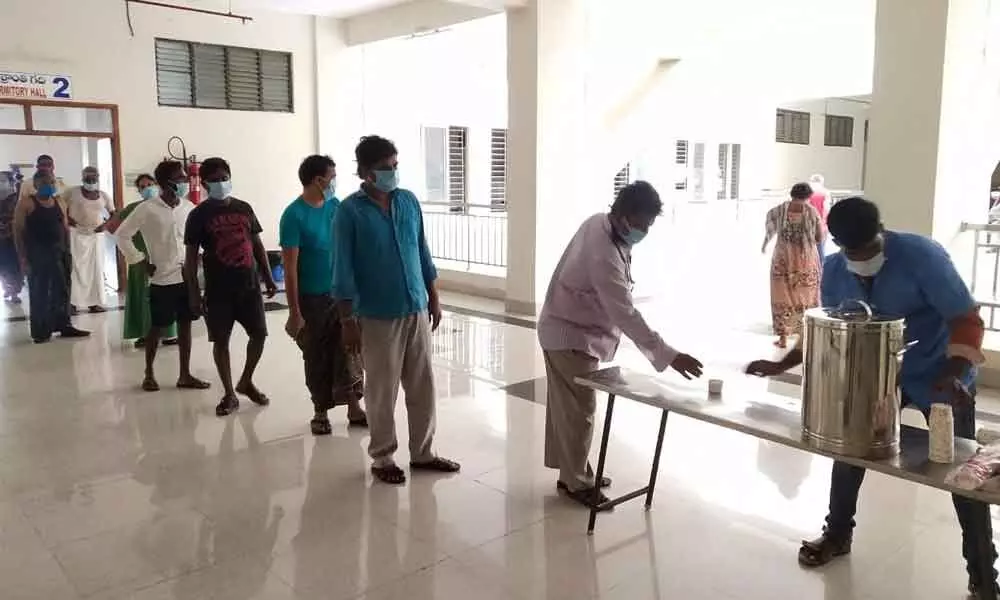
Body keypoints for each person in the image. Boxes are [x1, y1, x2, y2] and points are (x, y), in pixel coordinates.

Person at [746, 196, 998, 599]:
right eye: (852, 251)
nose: (861, 259)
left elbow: (965, 319)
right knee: (850, 451)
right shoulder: (834, 267)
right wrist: (782, 365)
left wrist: (954, 375)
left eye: (868, 249)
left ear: (881, 233)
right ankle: (838, 534)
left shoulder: (922, 257)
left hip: (941, 375)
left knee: (961, 474)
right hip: (882, 376)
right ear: (840, 245)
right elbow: (822, 326)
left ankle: (983, 575)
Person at [538, 181, 704, 508]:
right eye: (643, 224)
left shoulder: (600, 222)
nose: (645, 231)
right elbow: (624, 313)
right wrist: (669, 356)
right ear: (626, 217)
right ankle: (577, 483)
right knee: (579, 411)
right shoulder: (603, 253)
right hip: (571, 335)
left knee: (568, 408)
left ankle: (572, 473)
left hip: (568, 327)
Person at [333, 135, 459, 485]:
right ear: (365, 172)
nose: (392, 173)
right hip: (375, 314)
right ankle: (383, 456)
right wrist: (347, 320)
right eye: (385, 168)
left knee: (422, 385)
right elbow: (342, 268)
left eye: (395, 166)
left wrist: (433, 296)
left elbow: (421, 250)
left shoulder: (407, 201)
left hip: (415, 306)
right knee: (382, 390)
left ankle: (423, 452)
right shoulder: (349, 212)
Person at [280, 154, 366, 436]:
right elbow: (290, 269)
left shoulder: (335, 207)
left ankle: (354, 406)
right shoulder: (294, 215)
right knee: (317, 355)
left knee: (349, 351)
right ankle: (320, 410)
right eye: (332, 177)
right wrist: (295, 312)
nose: (334, 182)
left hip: (341, 294)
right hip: (312, 299)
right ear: (318, 180)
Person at [184, 157, 277, 417]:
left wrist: (268, 276)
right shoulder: (198, 215)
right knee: (221, 340)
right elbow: (191, 257)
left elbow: (257, 244)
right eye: (214, 180)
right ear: (203, 184)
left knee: (259, 335)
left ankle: (246, 380)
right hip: (218, 289)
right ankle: (229, 392)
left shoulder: (244, 208)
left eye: (224, 177)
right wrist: (193, 292)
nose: (221, 183)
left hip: (249, 285)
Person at [115, 161, 210, 394]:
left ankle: (185, 374)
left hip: (186, 277)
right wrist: (139, 260)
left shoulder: (188, 207)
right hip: (162, 278)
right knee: (156, 327)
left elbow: (194, 239)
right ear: (167, 183)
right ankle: (149, 373)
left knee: (185, 325)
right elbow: (122, 235)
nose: (184, 182)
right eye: (180, 179)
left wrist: (198, 257)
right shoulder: (147, 208)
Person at [13, 171, 89, 343]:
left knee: (62, 290)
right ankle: (41, 331)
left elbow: (65, 227)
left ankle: (64, 325)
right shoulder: (26, 203)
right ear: (36, 184)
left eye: (52, 182)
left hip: (59, 252)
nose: (50, 185)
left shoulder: (59, 202)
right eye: (46, 182)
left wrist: (68, 250)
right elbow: (18, 231)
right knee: (40, 291)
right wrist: (23, 258)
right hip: (38, 254)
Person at [106, 174, 179, 348]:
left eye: (150, 184)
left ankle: (170, 334)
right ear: (139, 191)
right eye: (143, 186)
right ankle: (147, 333)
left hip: (165, 257)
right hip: (141, 258)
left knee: (168, 295)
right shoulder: (134, 208)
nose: (147, 188)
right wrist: (135, 254)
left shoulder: (171, 205)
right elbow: (113, 228)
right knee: (145, 296)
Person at [761, 182, 824, 348]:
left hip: (782, 259)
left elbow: (769, 226)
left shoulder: (779, 210)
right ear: (809, 196)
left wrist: (766, 243)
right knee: (806, 297)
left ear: (791, 194)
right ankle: (805, 337)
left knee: (781, 297)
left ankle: (782, 338)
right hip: (805, 261)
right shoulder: (812, 212)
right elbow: (819, 237)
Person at [65, 167, 114, 313]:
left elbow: (114, 213)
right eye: (88, 178)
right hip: (76, 234)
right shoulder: (72, 192)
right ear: (82, 177)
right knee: (75, 268)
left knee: (96, 269)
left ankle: (94, 303)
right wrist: (67, 218)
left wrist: (105, 226)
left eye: (94, 179)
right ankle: (73, 303)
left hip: (96, 235)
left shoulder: (104, 196)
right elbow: (58, 204)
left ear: (98, 178)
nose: (91, 181)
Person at [0, 171, 23, 303]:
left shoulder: (14, 198)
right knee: (2, 266)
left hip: (13, 237)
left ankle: (14, 291)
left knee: (14, 265)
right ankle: (7, 288)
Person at [808, 173, 831, 259]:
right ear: (821, 182)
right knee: (820, 251)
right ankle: (821, 269)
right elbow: (827, 209)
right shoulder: (825, 192)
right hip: (821, 225)